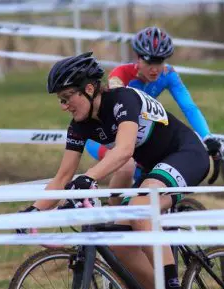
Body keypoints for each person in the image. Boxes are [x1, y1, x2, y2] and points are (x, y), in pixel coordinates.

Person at [20, 51, 211, 289]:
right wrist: (32, 213)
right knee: (118, 241)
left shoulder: (123, 101)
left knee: (139, 206)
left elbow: (122, 152)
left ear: (90, 89)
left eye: (69, 96)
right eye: (60, 99)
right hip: (154, 169)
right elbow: (62, 176)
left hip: (186, 154)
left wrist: (89, 178)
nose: (64, 105)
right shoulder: (79, 125)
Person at [85, 26, 214, 190]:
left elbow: (189, 107)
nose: (154, 69)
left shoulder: (168, 75)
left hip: (135, 138)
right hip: (102, 137)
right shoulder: (120, 75)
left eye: (159, 62)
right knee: (127, 165)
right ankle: (115, 211)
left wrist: (207, 137)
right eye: (149, 62)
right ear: (138, 58)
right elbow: (113, 117)